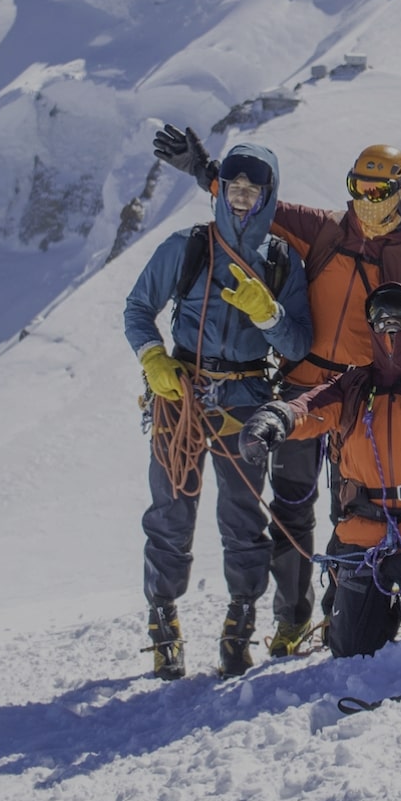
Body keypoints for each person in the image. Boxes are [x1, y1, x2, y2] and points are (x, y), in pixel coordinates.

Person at [153, 129, 401, 655]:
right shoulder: (325, 230)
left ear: (400, 191)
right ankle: (293, 618)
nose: (365, 201)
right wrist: (205, 172)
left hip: (359, 396)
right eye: (358, 187)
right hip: (306, 389)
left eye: (377, 191)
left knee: (350, 508)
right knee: (293, 507)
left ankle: (345, 608)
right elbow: (261, 203)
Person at [124, 142, 312, 680]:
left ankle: (240, 624)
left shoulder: (280, 261)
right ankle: (163, 625)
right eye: (233, 189)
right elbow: (138, 307)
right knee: (170, 512)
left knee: (243, 515)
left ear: (267, 196)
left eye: (252, 191)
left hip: (247, 396)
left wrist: (270, 314)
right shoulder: (187, 248)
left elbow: (298, 343)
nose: (241, 200)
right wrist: (153, 356)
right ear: (220, 191)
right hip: (181, 390)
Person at [235, 283, 401, 658]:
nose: (390, 327)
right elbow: (307, 407)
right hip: (362, 536)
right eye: (381, 319)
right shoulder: (351, 386)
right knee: (351, 650)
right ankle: (371, 611)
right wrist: (275, 418)